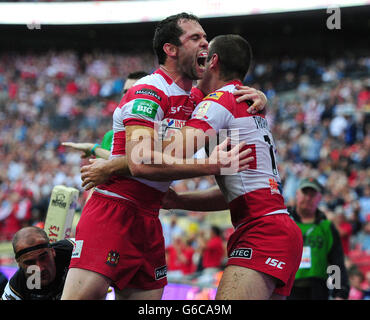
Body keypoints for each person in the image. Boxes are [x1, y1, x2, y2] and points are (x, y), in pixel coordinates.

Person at [61, 13, 265, 300]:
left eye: (206, 38)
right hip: (114, 210)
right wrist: (209, 164)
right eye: (195, 38)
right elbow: (141, 162)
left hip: (150, 217)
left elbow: (228, 89)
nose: (205, 44)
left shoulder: (199, 101)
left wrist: (258, 94)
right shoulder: (149, 90)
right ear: (170, 50)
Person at [159, 34, 303, 300]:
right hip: (276, 225)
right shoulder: (245, 101)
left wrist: (128, 153)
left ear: (213, 61)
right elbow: (236, 194)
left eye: (204, 57)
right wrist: (178, 200)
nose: (198, 64)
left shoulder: (218, 102)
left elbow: (170, 153)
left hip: (263, 231)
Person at [61, 71, 149, 160]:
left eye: (134, 91)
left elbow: (140, 165)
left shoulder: (159, 129)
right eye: (125, 91)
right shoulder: (110, 136)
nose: (127, 96)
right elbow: (106, 169)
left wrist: (94, 149)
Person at [287, 177, 350, 300]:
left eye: (313, 194)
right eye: (305, 193)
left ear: (319, 198)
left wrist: (339, 292)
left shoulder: (326, 227)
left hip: (318, 289)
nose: (308, 198)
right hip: (288, 287)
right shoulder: (285, 222)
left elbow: (336, 262)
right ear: (297, 194)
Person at [1, 226, 74, 300]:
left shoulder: (72, 249)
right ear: (19, 264)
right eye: (30, 262)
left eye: (43, 258)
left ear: (52, 251)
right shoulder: (17, 285)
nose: (40, 269)